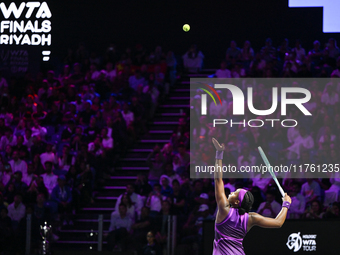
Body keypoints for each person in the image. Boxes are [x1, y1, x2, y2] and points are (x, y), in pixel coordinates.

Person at [212, 138, 291, 255]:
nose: (231, 192)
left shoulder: (224, 210)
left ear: (238, 202)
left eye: (234, 193)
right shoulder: (251, 217)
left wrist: (219, 154)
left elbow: (218, 180)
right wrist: (286, 204)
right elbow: (278, 223)